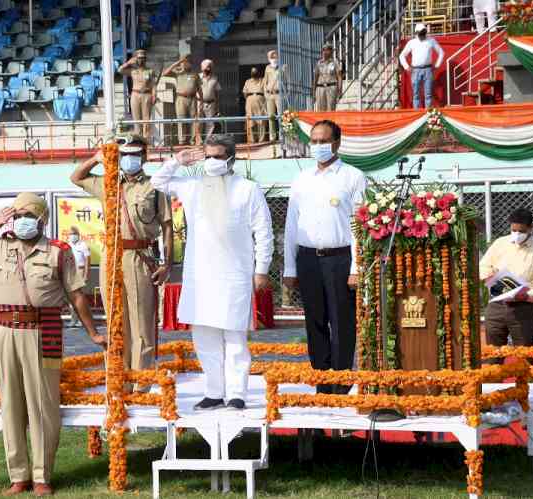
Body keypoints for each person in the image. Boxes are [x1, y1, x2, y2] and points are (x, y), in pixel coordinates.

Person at [0, 192, 106, 497]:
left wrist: (93, 332)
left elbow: (77, 294)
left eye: (29, 215)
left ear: (41, 219)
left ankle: (41, 476)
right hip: (5, 331)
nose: (23, 220)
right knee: (10, 403)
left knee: (42, 405)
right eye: (18, 214)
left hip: (44, 330)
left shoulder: (57, 252)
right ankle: (19, 476)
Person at [151, 134, 274, 411]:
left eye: (218, 156)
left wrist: (262, 269)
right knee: (204, 338)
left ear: (231, 158)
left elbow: (264, 232)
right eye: (208, 156)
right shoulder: (192, 186)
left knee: (234, 338)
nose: (212, 161)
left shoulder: (247, 189)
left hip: (235, 275)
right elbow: (157, 182)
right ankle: (214, 392)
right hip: (200, 276)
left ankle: (236, 394)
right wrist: (176, 161)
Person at [71, 136, 173, 379]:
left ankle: (141, 382)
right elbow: (77, 177)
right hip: (112, 257)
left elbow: (167, 227)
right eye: (125, 154)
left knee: (141, 325)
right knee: (116, 322)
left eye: (135, 154)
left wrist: (167, 264)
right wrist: (98, 158)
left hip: (140, 256)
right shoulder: (108, 184)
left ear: (145, 157)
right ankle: (118, 379)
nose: (130, 159)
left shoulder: (155, 186)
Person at [283, 120, 365, 394]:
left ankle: (341, 382)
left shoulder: (352, 177)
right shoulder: (301, 179)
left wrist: (357, 266)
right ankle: (321, 379)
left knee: (341, 321)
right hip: (308, 259)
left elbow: (358, 226)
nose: (318, 146)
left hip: (339, 259)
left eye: (323, 141)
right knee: (314, 320)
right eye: (314, 141)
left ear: (337, 143)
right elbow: (291, 226)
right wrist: (290, 268)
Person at [479, 208, 533, 356]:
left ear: (530, 228)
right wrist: (489, 274)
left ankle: (528, 380)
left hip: (523, 308)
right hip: (496, 306)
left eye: (521, 231)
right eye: (513, 230)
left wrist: (527, 294)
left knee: (525, 358)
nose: (516, 234)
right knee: (492, 357)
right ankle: (493, 380)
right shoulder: (500, 244)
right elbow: (482, 266)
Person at [399, 23, 444, 109]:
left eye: (423, 33)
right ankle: (416, 114)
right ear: (416, 33)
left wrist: (437, 65)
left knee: (428, 94)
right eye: (420, 34)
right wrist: (406, 67)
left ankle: (428, 114)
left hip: (427, 69)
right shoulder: (411, 42)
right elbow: (402, 55)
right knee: (416, 94)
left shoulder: (431, 41)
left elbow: (441, 52)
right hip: (415, 70)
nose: (422, 36)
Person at [163, 57, 203, 146]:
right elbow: (165, 73)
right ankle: (182, 141)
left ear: (191, 64)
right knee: (181, 119)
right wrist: (178, 62)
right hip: (181, 98)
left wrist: (202, 101)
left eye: (187, 63)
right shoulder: (178, 73)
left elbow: (199, 88)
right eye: (183, 63)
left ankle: (193, 140)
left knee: (194, 120)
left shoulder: (195, 74)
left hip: (193, 98)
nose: (185, 64)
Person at [119, 49, 157, 139]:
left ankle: (146, 139)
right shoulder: (132, 70)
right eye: (139, 58)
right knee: (136, 118)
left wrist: (154, 95)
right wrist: (128, 63)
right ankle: (138, 138)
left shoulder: (150, 71)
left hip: (146, 94)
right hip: (135, 94)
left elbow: (154, 85)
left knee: (146, 119)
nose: (141, 60)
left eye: (143, 58)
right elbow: (120, 70)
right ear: (136, 59)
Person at [66, 226, 91, 327]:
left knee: (80, 297)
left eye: (74, 234)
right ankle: (73, 319)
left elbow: (88, 261)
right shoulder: (67, 245)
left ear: (77, 234)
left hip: (80, 271)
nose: (72, 236)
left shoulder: (83, 245)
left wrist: (86, 274)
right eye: (70, 234)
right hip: (70, 272)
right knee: (71, 297)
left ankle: (82, 320)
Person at [312, 43, 342, 111]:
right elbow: (316, 77)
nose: (325, 52)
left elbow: (339, 77)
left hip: (331, 87)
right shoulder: (319, 63)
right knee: (320, 110)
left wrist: (340, 90)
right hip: (320, 88)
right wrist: (313, 91)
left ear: (331, 52)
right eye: (323, 50)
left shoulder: (335, 62)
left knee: (330, 109)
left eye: (327, 49)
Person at [242, 67, 267, 143]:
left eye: (255, 71)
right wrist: (250, 99)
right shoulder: (248, 81)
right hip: (250, 102)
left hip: (261, 102)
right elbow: (244, 93)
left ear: (258, 72)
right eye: (253, 71)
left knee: (261, 120)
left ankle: (261, 139)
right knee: (250, 121)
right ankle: (252, 140)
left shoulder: (262, 80)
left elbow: (266, 92)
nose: (254, 72)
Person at [199, 59, 221, 140]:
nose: (208, 69)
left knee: (210, 123)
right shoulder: (198, 77)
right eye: (206, 67)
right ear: (202, 68)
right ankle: (198, 141)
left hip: (211, 104)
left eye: (209, 67)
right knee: (199, 122)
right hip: (200, 103)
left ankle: (208, 140)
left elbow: (217, 93)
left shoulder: (215, 79)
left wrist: (217, 107)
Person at [263, 49, 281, 142]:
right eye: (271, 57)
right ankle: (272, 137)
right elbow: (265, 82)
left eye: (275, 56)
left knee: (281, 116)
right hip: (270, 94)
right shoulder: (267, 68)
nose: (273, 58)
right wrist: (265, 94)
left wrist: (288, 92)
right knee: (271, 117)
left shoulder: (282, 67)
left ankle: (282, 136)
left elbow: (288, 81)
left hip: (279, 94)